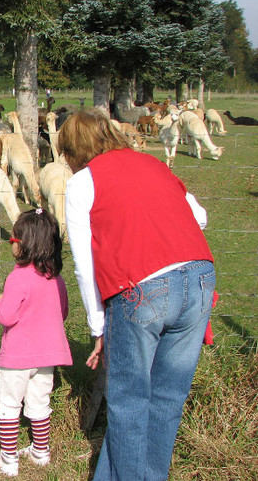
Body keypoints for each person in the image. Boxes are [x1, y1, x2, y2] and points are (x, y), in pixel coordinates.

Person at [59, 109, 215, 480]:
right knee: (166, 399)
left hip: (143, 288)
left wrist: (98, 328)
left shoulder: (83, 183)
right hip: (199, 278)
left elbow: (84, 265)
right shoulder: (152, 163)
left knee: (129, 403)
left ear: (74, 150)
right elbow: (201, 216)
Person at [0, 208, 72, 477]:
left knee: (9, 405)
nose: (11, 245)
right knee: (39, 402)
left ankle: (8, 459)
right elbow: (62, 313)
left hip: (17, 357)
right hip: (47, 356)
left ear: (23, 245)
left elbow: (6, 316)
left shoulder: (17, 278)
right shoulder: (55, 278)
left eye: (12, 240)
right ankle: (40, 452)